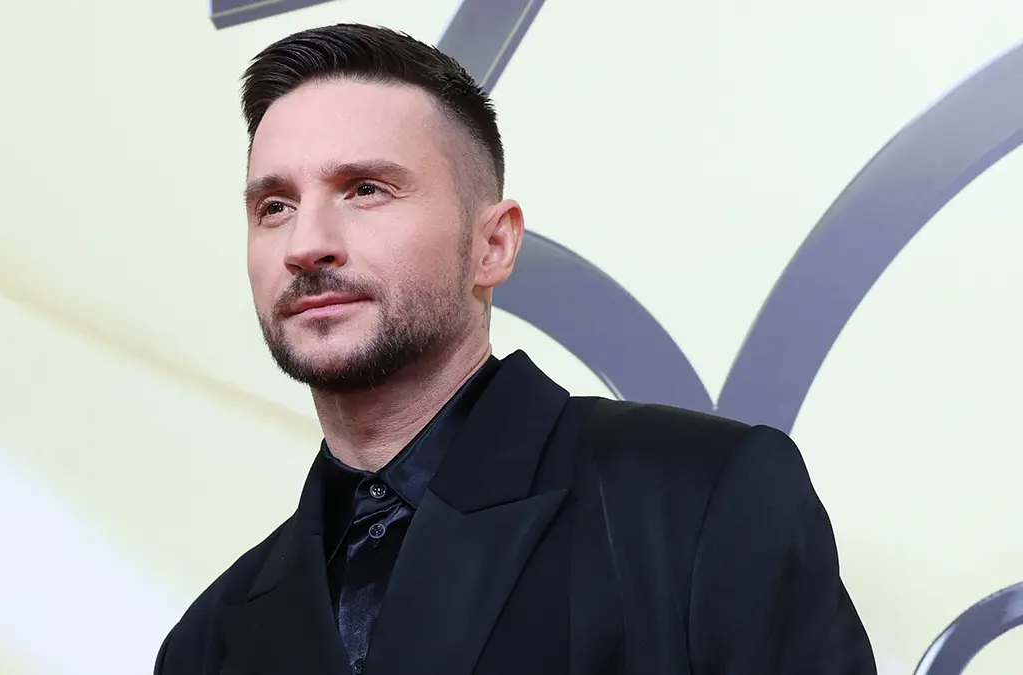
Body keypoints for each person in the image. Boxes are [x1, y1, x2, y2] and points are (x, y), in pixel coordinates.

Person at [154, 23, 877, 675]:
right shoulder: (208, 641)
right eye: (274, 206)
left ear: (493, 244)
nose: (306, 242)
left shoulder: (700, 498)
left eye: (366, 189)